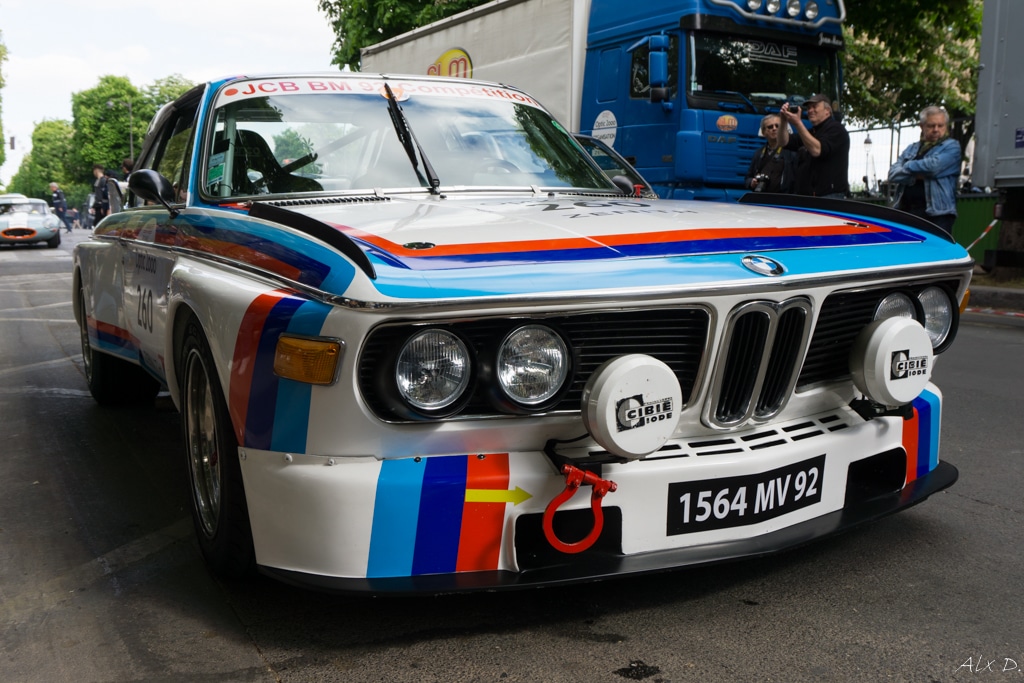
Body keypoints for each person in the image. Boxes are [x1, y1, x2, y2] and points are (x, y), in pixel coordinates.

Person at [887, 106, 961, 235]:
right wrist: (916, 176)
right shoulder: (912, 148)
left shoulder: (952, 147)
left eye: (940, 125)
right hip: (907, 211)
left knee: (936, 253)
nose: (936, 130)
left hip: (938, 215)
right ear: (922, 126)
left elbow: (933, 167)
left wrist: (907, 166)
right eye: (931, 126)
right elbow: (892, 173)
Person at [778, 94, 850, 198]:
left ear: (827, 110)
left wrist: (798, 123)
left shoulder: (837, 130)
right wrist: (783, 120)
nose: (810, 110)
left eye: (814, 107)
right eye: (808, 108)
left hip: (829, 197)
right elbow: (783, 142)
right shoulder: (812, 132)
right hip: (808, 197)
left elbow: (817, 150)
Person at [744, 114, 796, 193]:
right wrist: (752, 182)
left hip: (783, 198)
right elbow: (748, 178)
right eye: (770, 127)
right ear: (763, 132)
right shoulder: (758, 153)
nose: (774, 129)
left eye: (777, 126)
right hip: (761, 197)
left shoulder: (792, 152)